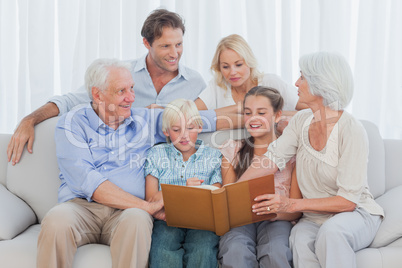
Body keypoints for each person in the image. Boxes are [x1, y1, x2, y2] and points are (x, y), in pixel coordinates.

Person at [36, 58, 226, 268]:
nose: (131, 98)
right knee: (56, 220)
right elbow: (86, 180)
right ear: (98, 94)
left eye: (132, 89)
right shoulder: (72, 123)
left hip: (126, 213)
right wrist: (148, 206)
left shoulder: (143, 119)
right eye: (121, 91)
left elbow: (199, 119)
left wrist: (253, 115)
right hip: (82, 208)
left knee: (137, 220)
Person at [7, 9, 206, 166]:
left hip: (167, 170)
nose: (174, 53)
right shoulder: (121, 75)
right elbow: (68, 101)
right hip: (123, 167)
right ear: (146, 43)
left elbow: (204, 121)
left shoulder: (195, 83)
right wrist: (29, 120)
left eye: (178, 44)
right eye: (166, 46)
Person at [244, 52, 384, 268]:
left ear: (321, 84)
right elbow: (270, 160)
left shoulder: (352, 130)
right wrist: (232, 190)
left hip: (355, 213)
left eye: (302, 77)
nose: (296, 83)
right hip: (313, 218)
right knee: (299, 240)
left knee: (332, 232)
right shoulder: (301, 121)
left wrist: (290, 204)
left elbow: (347, 202)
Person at [218, 86, 302, 268]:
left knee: (276, 252)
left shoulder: (292, 155)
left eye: (261, 112)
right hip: (240, 220)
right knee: (235, 249)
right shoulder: (233, 149)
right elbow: (227, 198)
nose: (254, 118)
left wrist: (275, 212)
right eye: (248, 113)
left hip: (278, 219)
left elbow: (295, 209)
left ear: (277, 116)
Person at [144, 98, 222, 268]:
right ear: (166, 131)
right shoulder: (156, 154)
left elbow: (218, 192)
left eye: (190, 128)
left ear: (200, 127)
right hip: (167, 218)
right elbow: (151, 199)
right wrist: (182, 190)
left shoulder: (214, 156)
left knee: (203, 250)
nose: (184, 135)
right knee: (163, 249)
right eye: (176, 130)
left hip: (202, 220)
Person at [195, 34, 304, 114]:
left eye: (238, 65)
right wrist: (238, 107)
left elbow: (313, 110)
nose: (232, 72)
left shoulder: (271, 82)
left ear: (249, 62)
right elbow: (190, 114)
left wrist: (274, 115)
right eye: (225, 67)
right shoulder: (218, 86)